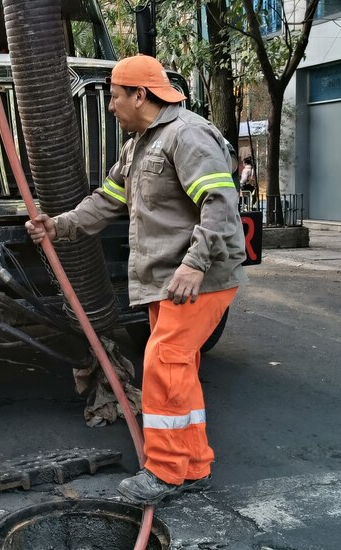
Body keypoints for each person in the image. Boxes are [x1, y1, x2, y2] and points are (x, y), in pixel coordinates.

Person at [25, 55, 247, 505]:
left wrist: (194, 263)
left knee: (162, 366)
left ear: (140, 95)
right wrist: (58, 226)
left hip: (194, 279)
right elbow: (106, 201)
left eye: (115, 96)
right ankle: (194, 463)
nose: (110, 106)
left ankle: (165, 473)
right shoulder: (140, 144)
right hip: (166, 280)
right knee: (178, 370)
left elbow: (221, 203)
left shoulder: (187, 135)